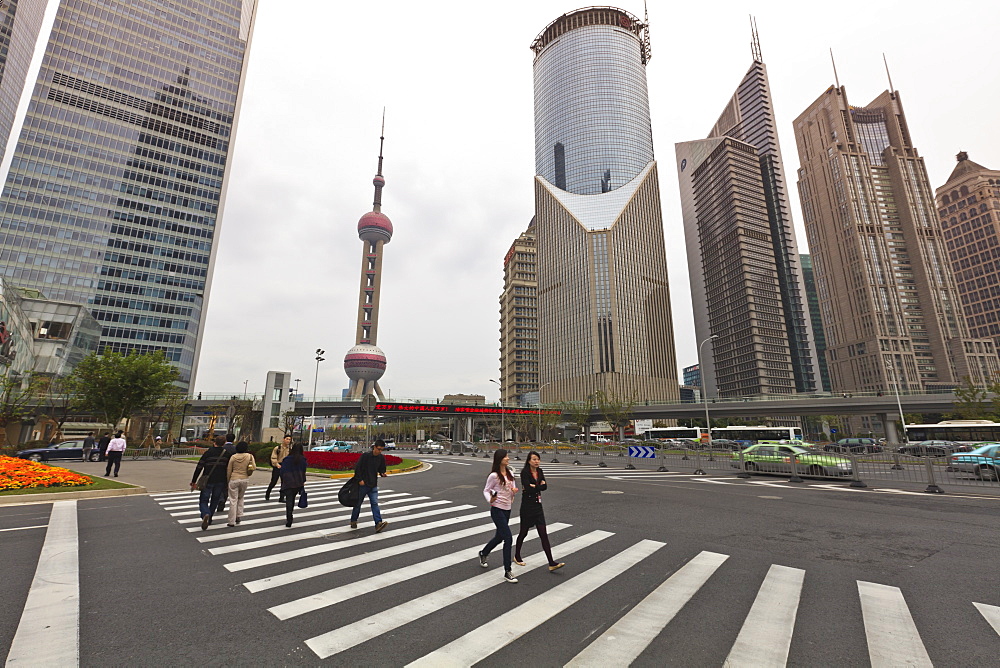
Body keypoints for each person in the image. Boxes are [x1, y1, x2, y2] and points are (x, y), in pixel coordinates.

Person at [514, 451, 564, 572]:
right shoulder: (525, 472)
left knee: (543, 535)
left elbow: (545, 486)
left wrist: (534, 486)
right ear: (529, 461)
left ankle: (551, 562)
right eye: (534, 459)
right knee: (523, 532)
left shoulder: (540, 471)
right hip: (527, 507)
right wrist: (537, 486)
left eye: (538, 459)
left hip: (538, 507)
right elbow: (528, 488)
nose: (537, 461)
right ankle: (517, 555)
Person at [478, 448, 519, 583]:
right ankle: (508, 570)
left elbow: (512, 490)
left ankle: (484, 553)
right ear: (500, 459)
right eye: (506, 456)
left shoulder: (510, 473)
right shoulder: (494, 476)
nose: (508, 458)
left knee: (499, 537)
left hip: (507, 509)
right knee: (508, 538)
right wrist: (490, 499)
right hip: (497, 509)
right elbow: (486, 490)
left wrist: (514, 491)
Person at [190, 436, 231, 530]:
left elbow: (199, 467)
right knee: (215, 499)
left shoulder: (208, 453)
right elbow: (229, 469)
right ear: (224, 443)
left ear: (214, 442)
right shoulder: (226, 454)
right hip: (221, 480)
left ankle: (205, 513)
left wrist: (194, 480)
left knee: (204, 499)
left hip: (208, 479)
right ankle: (210, 517)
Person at [350, 439, 388, 532]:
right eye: (378, 449)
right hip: (363, 484)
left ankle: (378, 523)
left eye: (381, 450)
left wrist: (382, 473)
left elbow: (381, 468)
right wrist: (360, 480)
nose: (379, 451)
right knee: (358, 503)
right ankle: (353, 520)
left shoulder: (381, 458)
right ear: (374, 447)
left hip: (373, 484)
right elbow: (358, 469)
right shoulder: (365, 456)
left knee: (374, 503)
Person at [225, 442, 255, 527]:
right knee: (241, 497)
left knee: (233, 500)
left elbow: (229, 470)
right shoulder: (249, 456)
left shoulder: (233, 457)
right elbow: (254, 467)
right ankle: (239, 515)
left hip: (234, 479)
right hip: (244, 479)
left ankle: (231, 521)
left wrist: (228, 480)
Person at [279, 442, 308, 527]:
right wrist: (303, 481)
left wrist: (284, 479)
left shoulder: (286, 460)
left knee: (289, 500)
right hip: (298, 483)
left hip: (288, 482)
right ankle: (290, 515)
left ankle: (289, 518)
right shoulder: (302, 460)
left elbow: (282, 471)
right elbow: (303, 472)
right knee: (293, 499)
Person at [265, 435, 292, 501]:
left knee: (284, 482)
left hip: (285, 466)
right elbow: (273, 457)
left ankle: (282, 497)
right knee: (274, 481)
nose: (288, 440)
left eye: (289, 439)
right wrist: (276, 464)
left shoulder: (290, 449)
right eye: (287, 439)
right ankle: (268, 493)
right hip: (278, 466)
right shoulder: (277, 448)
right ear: (283, 439)